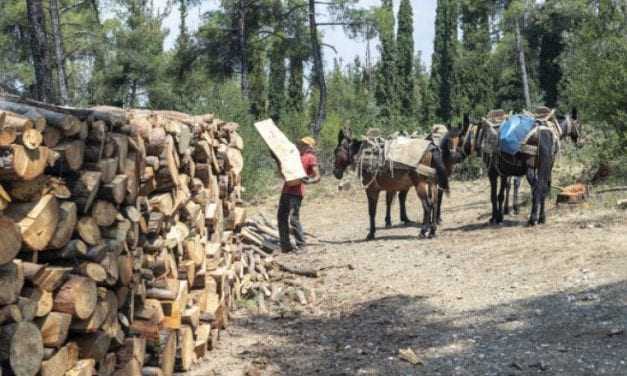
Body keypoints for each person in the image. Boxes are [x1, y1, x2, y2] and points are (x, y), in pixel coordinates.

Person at [278, 136, 321, 252]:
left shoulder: (310, 158)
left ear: (309, 147)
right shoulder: (294, 156)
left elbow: (317, 177)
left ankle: (301, 245)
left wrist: (309, 181)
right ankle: (285, 246)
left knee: (293, 219)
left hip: (296, 193)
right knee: (281, 217)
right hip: (286, 190)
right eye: (301, 143)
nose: (300, 145)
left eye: (304, 144)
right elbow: (284, 173)